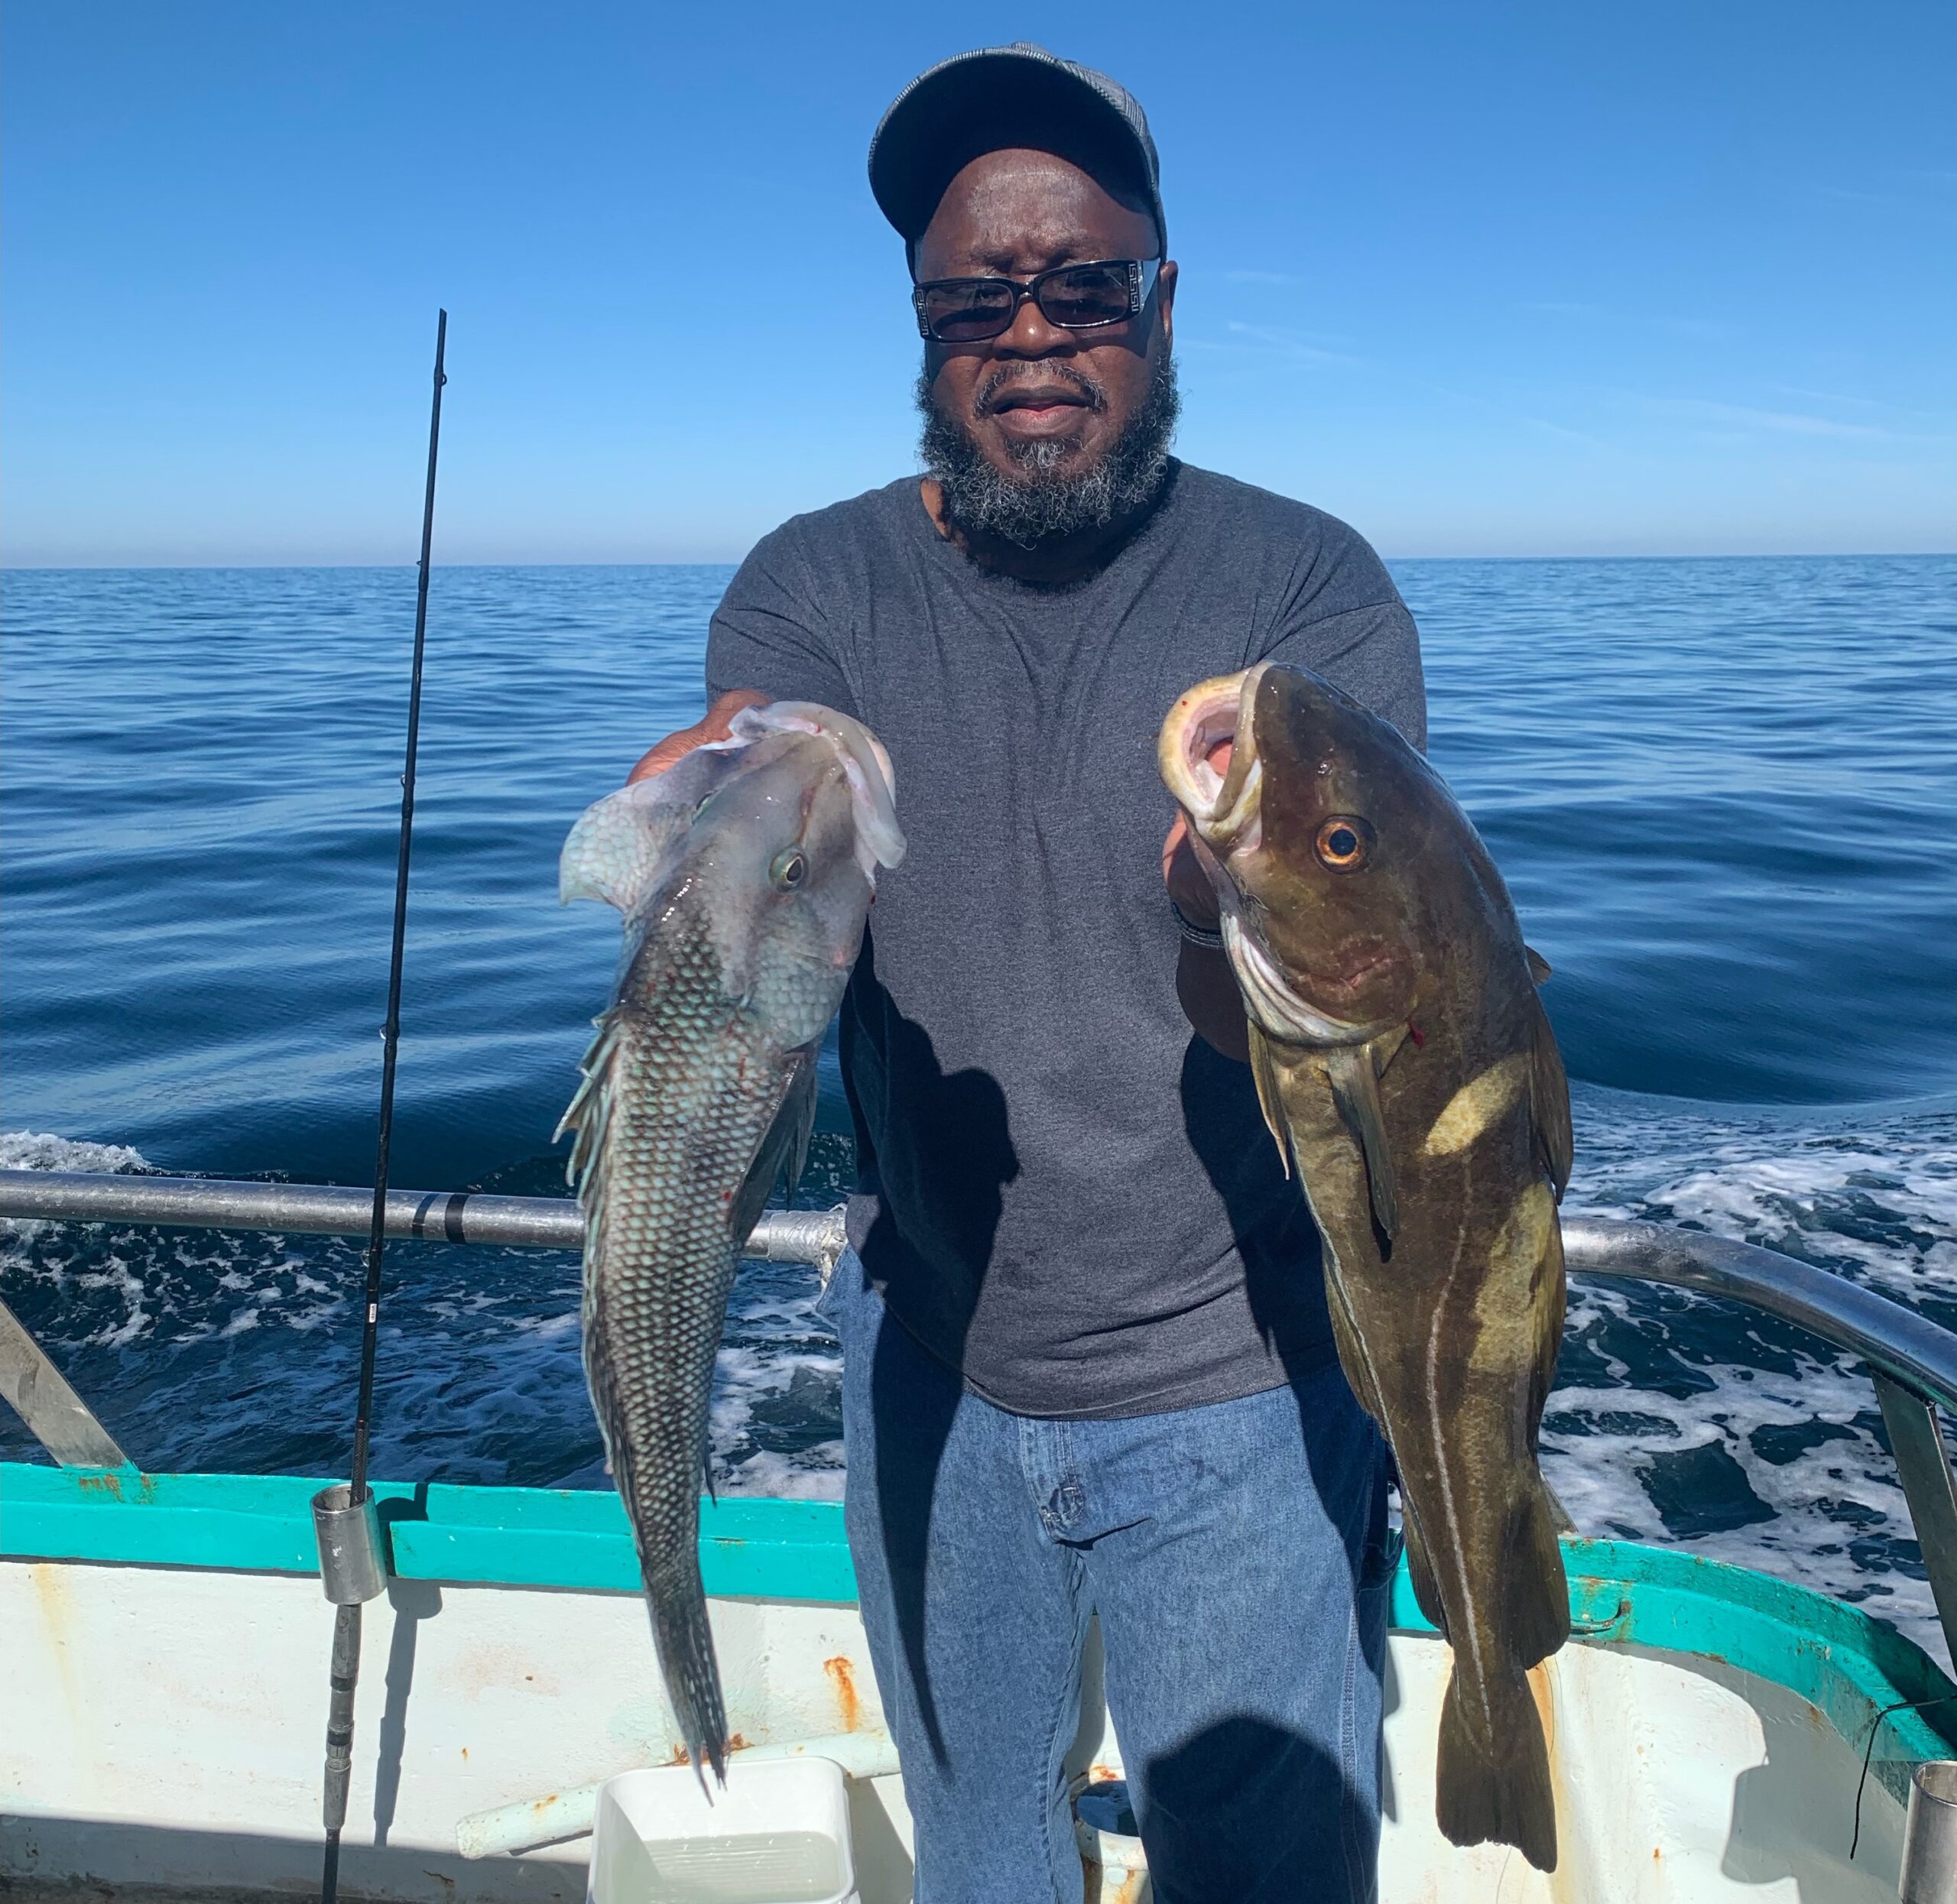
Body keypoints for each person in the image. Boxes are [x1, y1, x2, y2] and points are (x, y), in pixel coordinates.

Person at [633, 44, 1426, 1904]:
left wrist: (1220, 917)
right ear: (922, 330)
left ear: (1161, 300)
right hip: (932, 1352)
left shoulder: (1309, 594)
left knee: (1266, 1875)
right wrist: (715, 835)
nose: (1034, 338)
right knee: (979, 1855)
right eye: (976, 300)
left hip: (1242, 1371)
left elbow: (1381, 987)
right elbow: (745, 789)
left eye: (1085, 288)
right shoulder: (808, 580)